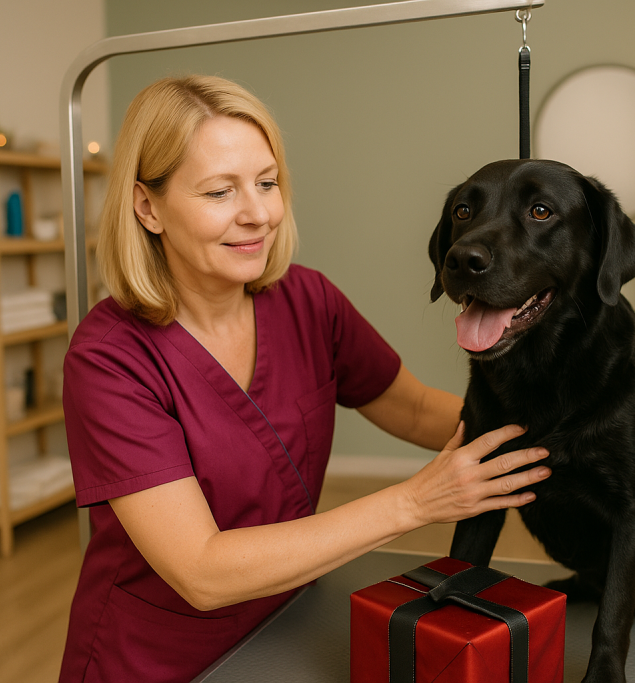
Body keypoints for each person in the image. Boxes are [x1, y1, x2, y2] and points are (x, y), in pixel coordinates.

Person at [58, 74, 551, 682]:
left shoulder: (308, 302)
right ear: (147, 207)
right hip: (154, 660)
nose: (257, 214)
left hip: (285, 624)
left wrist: (549, 438)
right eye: (220, 192)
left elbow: (415, 408)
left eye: (267, 183)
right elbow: (201, 571)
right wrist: (416, 502)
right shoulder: (109, 360)